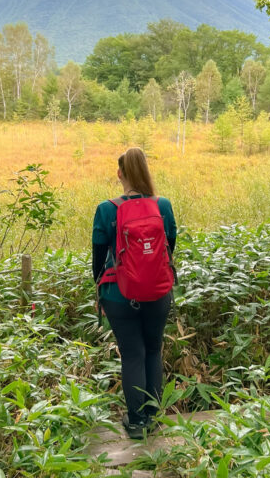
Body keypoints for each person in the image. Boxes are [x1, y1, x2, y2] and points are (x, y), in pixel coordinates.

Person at [92, 147, 177, 439]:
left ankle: (137, 423)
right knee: (153, 350)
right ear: (146, 171)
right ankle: (154, 416)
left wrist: (100, 289)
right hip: (157, 291)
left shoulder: (106, 209)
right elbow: (169, 249)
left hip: (118, 294)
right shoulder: (162, 205)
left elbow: (98, 258)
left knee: (132, 355)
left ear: (120, 173)